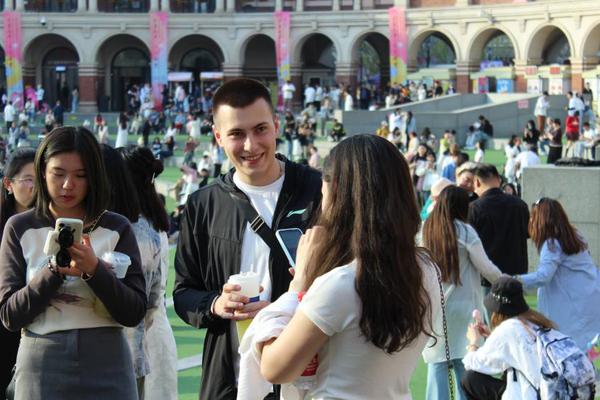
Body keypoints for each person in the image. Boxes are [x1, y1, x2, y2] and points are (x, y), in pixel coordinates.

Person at [251, 134, 441, 399]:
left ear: (337, 192)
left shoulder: (341, 284)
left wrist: (298, 285)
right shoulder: (427, 269)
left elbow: (274, 368)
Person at [173, 78, 322, 400]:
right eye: (237, 134)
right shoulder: (203, 204)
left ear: (276, 125)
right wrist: (216, 304)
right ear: (218, 137)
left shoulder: (319, 192)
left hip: (306, 375)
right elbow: (184, 293)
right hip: (230, 377)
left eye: (260, 129)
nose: (251, 146)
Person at [0, 127, 146, 400]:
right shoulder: (19, 227)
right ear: (42, 172)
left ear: (95, 177)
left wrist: (94, 270)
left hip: (109, 361)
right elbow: (10, 315)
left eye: (81, 175)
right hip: (41, 362)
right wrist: (53, 270)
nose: (68, 185)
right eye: (58, 173)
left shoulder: (117, 227)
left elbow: (134, 312)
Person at [422, 186, 502, 400]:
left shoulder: (425, 229)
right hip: (465, 305)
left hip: (434, 305)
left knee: (437, 363)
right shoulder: (465, 231)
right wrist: (507, 282)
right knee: (465, 360)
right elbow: (486, 268)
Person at [121, 147, 178, 400]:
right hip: (153, 336)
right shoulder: (149, 220)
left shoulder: (139, 230)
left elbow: (139, 306)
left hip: (143, 340)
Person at [515, 198, 600, 350]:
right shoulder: (575, 236)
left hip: (570, 309)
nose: (531, 221)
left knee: (565, 350)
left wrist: (515, 280)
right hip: (587, 301)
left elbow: (543, 276)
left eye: (533, 217)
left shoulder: (552, 244)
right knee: (587, 350)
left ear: (541, 220)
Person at [461, 277, 555, 400]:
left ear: (498, 310)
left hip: (532, 395)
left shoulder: (507, 329)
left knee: (470, 379)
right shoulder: (536, 322)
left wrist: (473, 341)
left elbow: (471, 363)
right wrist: (492, 336)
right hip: (553, 393)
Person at [0, 148, 35, 396]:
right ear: (8, 184)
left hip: (34, 318)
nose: (35, 187)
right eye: (27, 179)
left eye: (39, 179)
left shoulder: (52, 223)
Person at [468, 164, 529, 297]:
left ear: (477, 182)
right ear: (499, 180)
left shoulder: (474, 208)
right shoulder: (520, 205)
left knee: (488, 310)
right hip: (516, 275)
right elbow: (527, 233)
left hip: (487, 277)